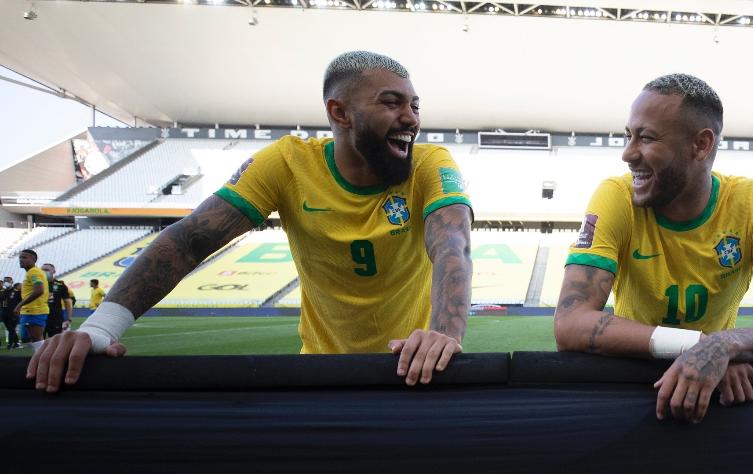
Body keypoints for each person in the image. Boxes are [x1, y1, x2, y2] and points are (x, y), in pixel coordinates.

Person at [28, 50, 473, 393]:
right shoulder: (286, 162)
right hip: (319, 372)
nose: (411, 118)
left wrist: (442, 333)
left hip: (412, 368)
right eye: (392, 103)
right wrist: (99, 329)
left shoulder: (431, 163)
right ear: (339, 113)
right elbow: (189, 240)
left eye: (414, 105)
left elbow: (452, 244)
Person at [554, 73, 753, 423]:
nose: (627, 153)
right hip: (633, 388)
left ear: (700, 145)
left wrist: (724, 346)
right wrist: (703, 345)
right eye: (628, 135)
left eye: (646, 137)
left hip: (713, 394)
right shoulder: (616, 196)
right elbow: (570, 322)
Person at [14, 249, 50, 351]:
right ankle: (40, 360)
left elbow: (39, 291)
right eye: (20, 257)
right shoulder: (32, 272)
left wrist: (19, 305)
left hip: (34, 311)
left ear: (34, 259)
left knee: (36, 339)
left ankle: (43, 361)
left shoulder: (34, 272)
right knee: (32, 339)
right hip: (32, 310)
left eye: (24, 257)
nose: (21, 260)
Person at [42, 264, 72, 338]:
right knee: (38, 340)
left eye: (47, 270)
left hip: (55, 317)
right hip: (40, 316)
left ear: (54, 271)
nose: (44, 272)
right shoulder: (36, 285)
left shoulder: (60, 285)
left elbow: (67, 303)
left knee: (54, 340)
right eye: (42, 270)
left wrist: (68, 318)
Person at [0, 276, 21, 349]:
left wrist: (18, 310)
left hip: (13, 313)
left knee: (11, 328)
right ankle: (16, 343)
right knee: (9, 328)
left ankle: (10, 344)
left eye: (8, 281)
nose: (6, 282)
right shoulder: (2, 292)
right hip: (4, 313)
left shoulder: (16, 292)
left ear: (12, 282)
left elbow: (21, 301)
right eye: (5, 281)